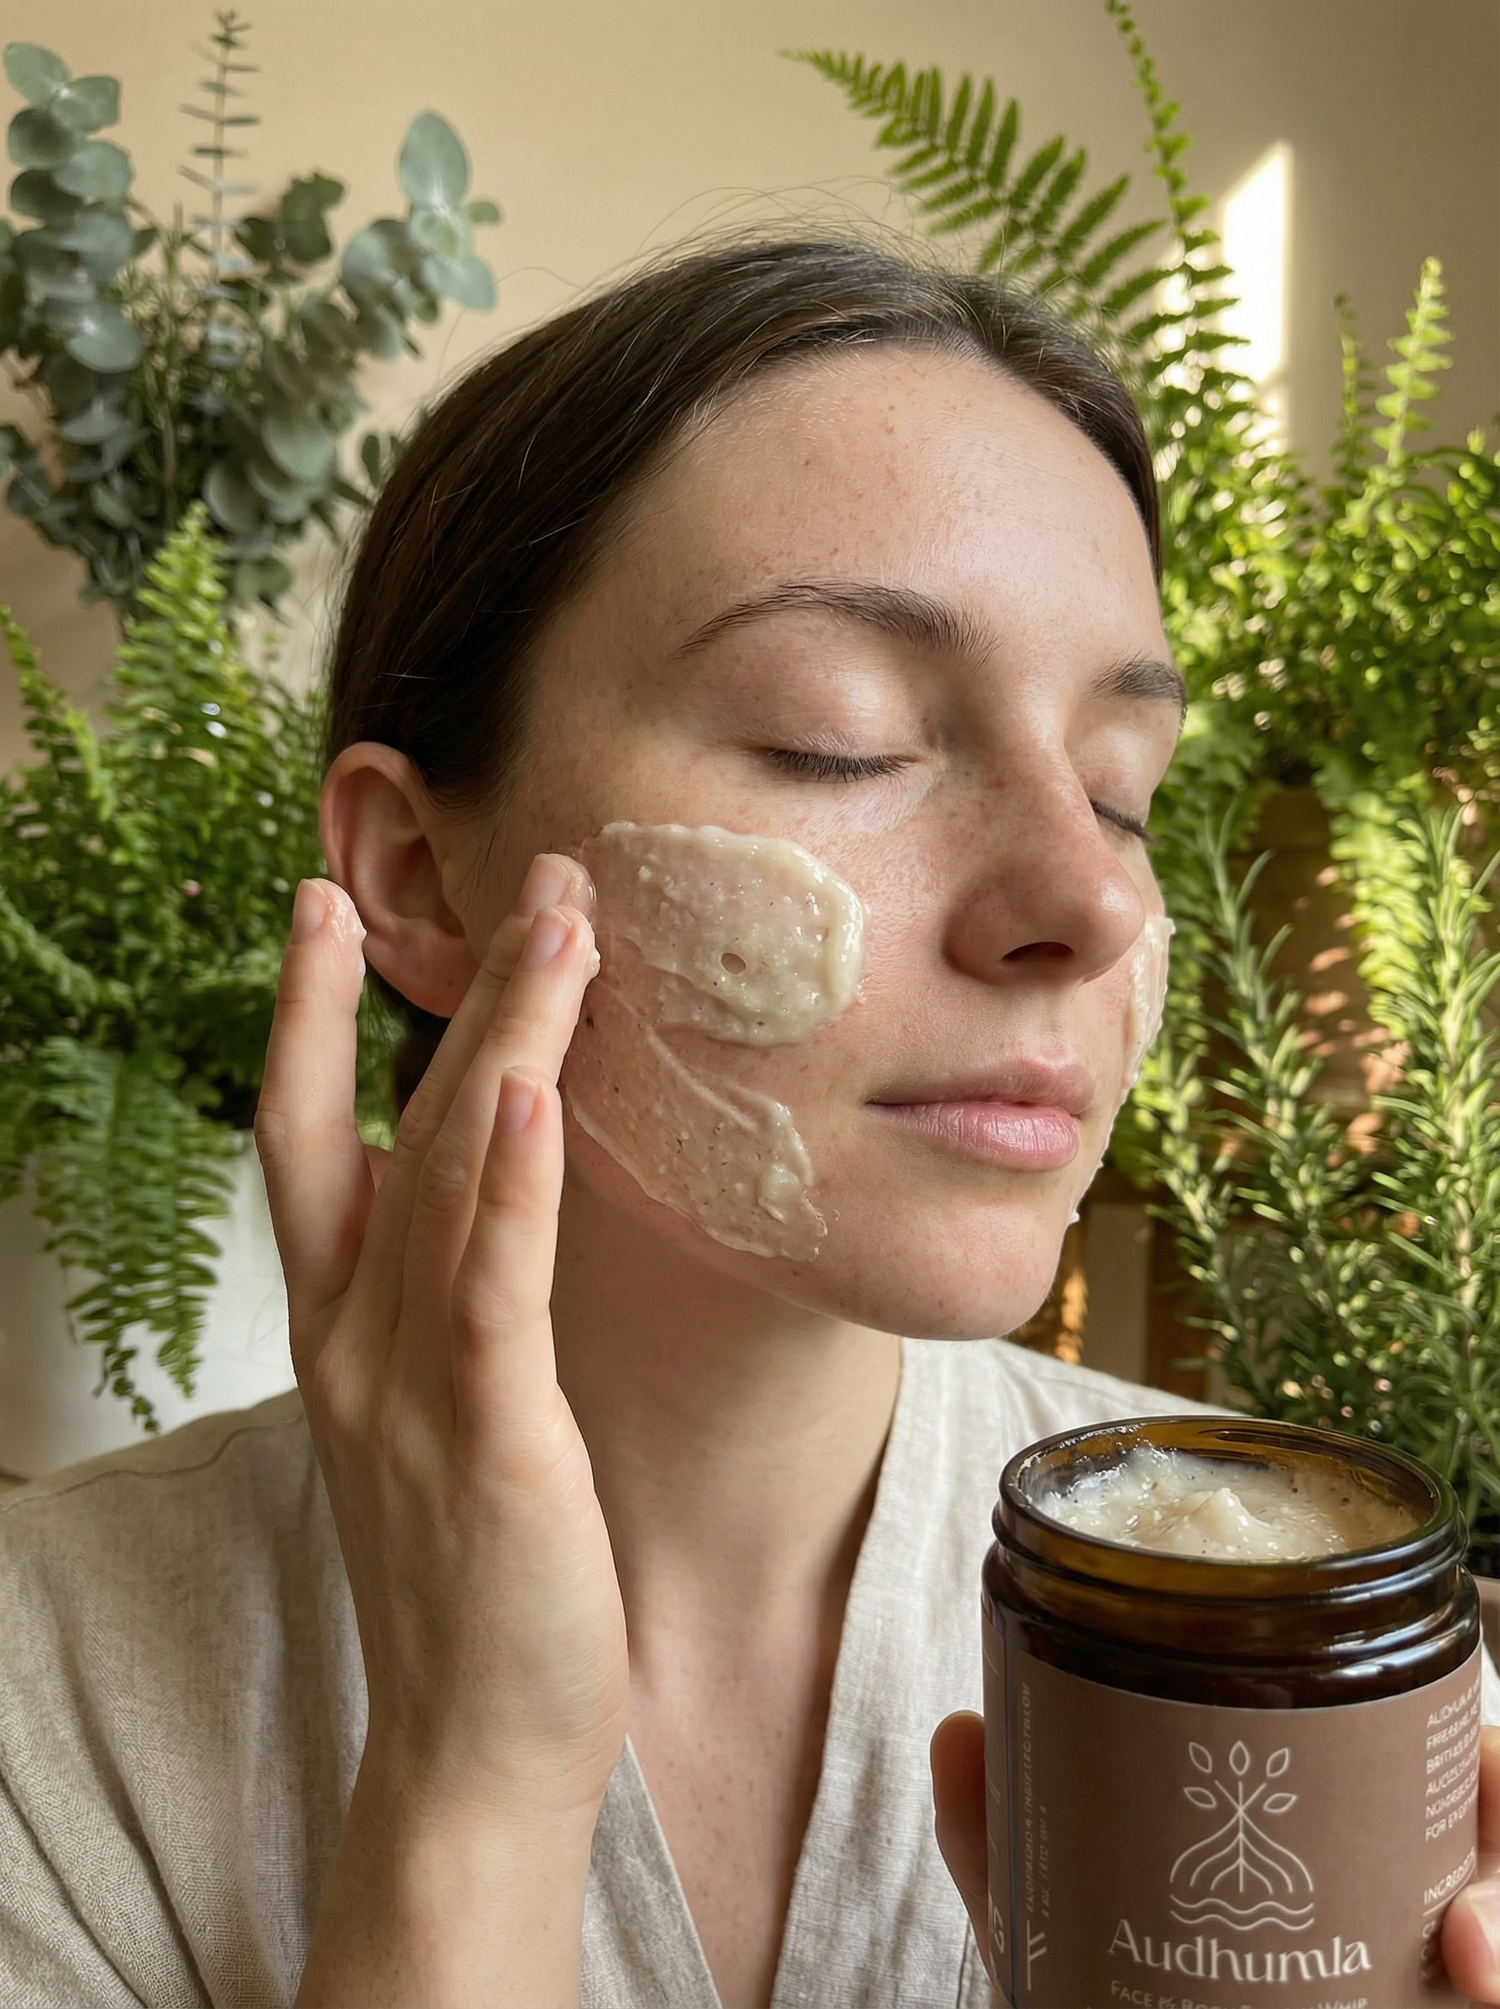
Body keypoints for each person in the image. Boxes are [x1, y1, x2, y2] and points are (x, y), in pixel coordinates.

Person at [2, 236, 1498, 2009]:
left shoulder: (1303, 1639)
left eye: (1123, 790)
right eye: (836, 739)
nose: (1089, 900)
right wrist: (473, 1784)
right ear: (416, 874)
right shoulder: (46, 1703)